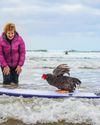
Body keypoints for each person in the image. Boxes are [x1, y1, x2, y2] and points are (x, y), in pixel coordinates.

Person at [0, 23, 26, 88]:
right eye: (9, 33)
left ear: (14, 32)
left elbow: (22, 53)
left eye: (12, 33)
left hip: (16, 65)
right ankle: (5, 97)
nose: (11, 35)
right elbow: (0, 54)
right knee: (7, 81)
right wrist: (5, 66)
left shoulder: (19, 39)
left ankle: (14, 98)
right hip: (5, 64)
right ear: (5, 32)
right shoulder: (1, 40)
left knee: (15, 82)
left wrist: (20, 65)